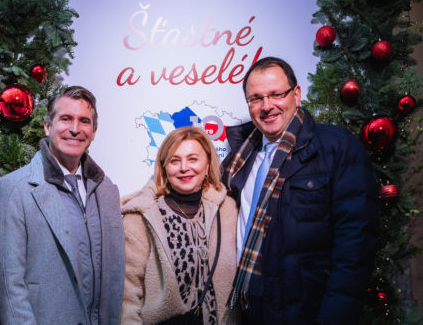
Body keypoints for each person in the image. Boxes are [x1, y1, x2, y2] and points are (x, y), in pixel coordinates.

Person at [221, 57, 379, 324]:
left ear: (296, 94)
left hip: (306, 311)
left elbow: (355, 247)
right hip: (249, 306)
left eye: (276, 94)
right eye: (256, 98)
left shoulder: (337, 147)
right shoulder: (240, 156)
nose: (267, 106)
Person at [0, 85, 124, 325]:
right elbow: (11, 285)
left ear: (94, 131)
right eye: (66, 119)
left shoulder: (107, 191)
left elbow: (115, 278)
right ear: (47, 125)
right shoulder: (14, 189)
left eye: (84, 121)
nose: (75, 129)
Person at [121, 126, 240, 324]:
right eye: (174, 161)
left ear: (208, 162)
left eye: (193, 159)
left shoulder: (229, 210)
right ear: (164, 167)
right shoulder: (140, 218)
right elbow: (127, 296)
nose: (184, 167)